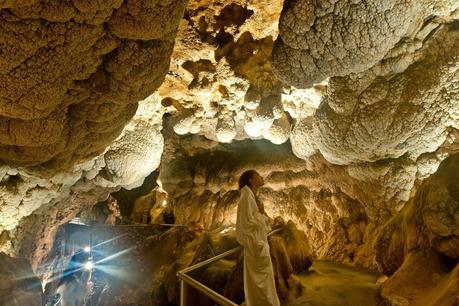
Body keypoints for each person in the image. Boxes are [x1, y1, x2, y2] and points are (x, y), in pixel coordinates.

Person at [236, 170, 280, 306]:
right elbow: (246, 224)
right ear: (250, 180)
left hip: (258, 243)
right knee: (260, 281)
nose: (262, 177)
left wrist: (261, 214)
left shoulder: (252, 197)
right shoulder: (246, 197)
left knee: (264, 279)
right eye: (258, 176)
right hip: (255, 245)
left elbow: (256, 220)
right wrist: (261, 214)